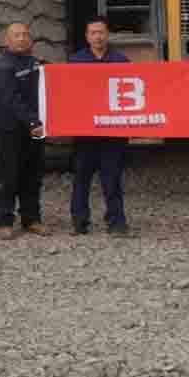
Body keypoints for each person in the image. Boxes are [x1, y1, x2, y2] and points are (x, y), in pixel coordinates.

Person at [67, 18, 131, 236]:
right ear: (87, 37)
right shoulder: (75, 62)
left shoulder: (121, 61)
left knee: (112, 179)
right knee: (81, 179)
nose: (98, 37)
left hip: (113, 132)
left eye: (101, 32)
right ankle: (79, 222)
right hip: (85, 132)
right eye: (93, 33)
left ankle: (116, 222)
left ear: (107, 34)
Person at [0, 21, 47, 239]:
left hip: (34, 129)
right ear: (7, 40)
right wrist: (33, 122)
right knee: (8, 175)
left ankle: (31, 219)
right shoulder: (3, 66)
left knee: (32, 175)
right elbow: (11, 100)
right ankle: (4, 221)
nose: (22, 38)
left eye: (25, 34)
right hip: (12, 129)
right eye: (17, 35)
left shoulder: (35, 63)